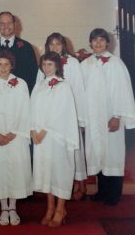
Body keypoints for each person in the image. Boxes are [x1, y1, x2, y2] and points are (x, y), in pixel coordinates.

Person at [81, 28, 135, 206]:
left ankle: (114, 194)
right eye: (94, 40)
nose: (98, 43)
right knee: (98, 153)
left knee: (112, 154)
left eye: (101, 40)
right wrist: (83, 119)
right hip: (93, 117)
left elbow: (123, 91)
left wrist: (117, 115)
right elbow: (80, 92)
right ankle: (102, 191)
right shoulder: (86, 65)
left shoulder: (116, 63)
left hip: (111, 117)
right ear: (90, 43)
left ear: (107, 43)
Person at [0, 50, 32, 226]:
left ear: (12, 65)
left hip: (15, 135)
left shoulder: (21, 84)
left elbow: (25, 109)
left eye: (6, 64)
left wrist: (14, 132)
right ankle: (3, 207)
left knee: (16, 170)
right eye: (0, 64)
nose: (3, 68)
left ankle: (13, 207)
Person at [31, 51, 79, 228]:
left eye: (50, 64)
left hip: (57, 137)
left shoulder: (63, 86)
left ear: (57, 66)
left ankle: (60, 209)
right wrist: (32, 130)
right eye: (44, 64)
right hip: (41, 139)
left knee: (59, 172)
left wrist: (45, 130)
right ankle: (49, 208)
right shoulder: (39, 85)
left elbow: (61, 113)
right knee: (47, 172)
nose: (46, 68)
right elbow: (32, 108)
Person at [37, 32, 87, 200]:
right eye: (51, 44)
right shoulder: (44, 63)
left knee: (74, 152)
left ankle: (79, 185)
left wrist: (80, 118)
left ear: (64, 45)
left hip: (68, 115)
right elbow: (39, 89)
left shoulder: (72, 62)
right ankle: (61, 188)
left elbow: (79, 90)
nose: (55, 47)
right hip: (50, 119)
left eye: (58, 44)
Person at [0, 11, 38, 93]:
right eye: (2, 23)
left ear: (14, 24)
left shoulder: (26, 48)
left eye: (9, 23)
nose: (6, 26)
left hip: (19, 96)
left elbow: (33, 76)